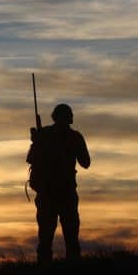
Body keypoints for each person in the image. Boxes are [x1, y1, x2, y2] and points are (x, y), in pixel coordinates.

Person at [26, 103, 90, 264]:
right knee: (71, 238)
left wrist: (37, 141)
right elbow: (86, 162)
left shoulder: (45, 134)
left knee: (45, 238)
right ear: (69, 118)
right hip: (65, 192)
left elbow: (30, 159)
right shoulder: (75, 137)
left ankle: (44, 273)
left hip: (48, 193)